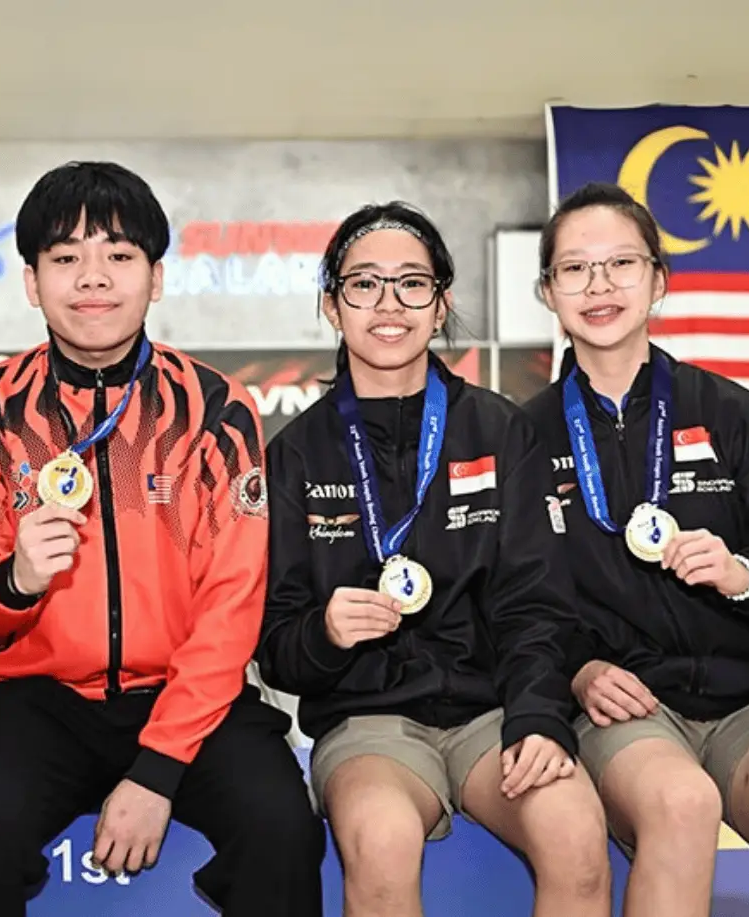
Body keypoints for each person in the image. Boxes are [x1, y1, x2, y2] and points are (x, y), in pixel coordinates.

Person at [0, 160, 326, 916]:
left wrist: (158, 768)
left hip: (189, 694)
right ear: (31, 281)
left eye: (118, 254)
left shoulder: (215, 407)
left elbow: (232, 602)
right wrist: (15, 580)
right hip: (32, 701)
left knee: (280, 826)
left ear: (156, 276)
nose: (93, 278)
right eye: (65, 257)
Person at [255, 202, 611, 917]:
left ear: (441, 304)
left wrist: (537, 716)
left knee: (574, 831)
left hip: (492, 714)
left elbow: (536, 603)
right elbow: (275, 649)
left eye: (412, 283)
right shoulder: (296, 454)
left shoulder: (498, 429)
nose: (389, 303)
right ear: (332, 305)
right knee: (381, 838)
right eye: (364, 283)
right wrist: (324, 633)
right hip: (367, 725)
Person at [524, 181, 749, 917]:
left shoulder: (736, 417)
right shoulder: (524, 438)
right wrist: (578, 670)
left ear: (659, 280)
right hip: (626, 705)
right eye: (575, 268)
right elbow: (514, 602)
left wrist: (743, 575)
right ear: (548, 291)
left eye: (622, 263)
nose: (599, 285)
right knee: (682, 803)